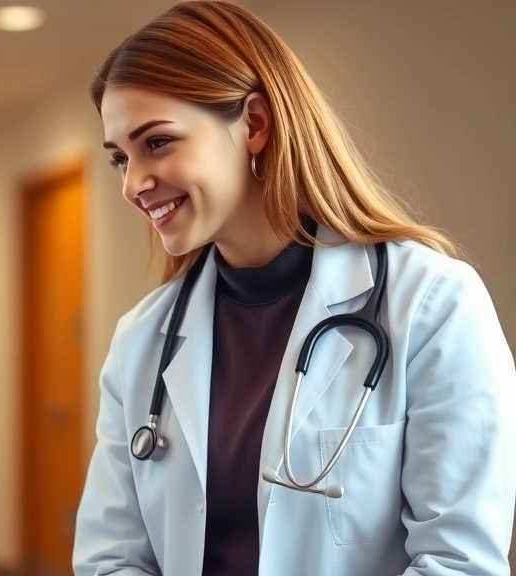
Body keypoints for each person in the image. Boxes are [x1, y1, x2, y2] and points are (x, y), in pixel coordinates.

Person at [73, 2, 516, 575]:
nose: (134, 183)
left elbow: (459, 562)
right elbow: (111, 559)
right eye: (118, 159)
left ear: (255, 124)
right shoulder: (141, 341)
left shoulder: (432, 304)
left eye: (156, 143)